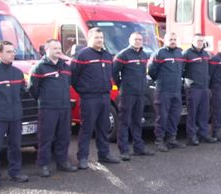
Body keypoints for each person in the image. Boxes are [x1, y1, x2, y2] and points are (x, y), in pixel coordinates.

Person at [71, 28, 120, 169]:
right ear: (89, 38)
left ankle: (104, 155)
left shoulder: (107, 55)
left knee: (103, 128)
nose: (100, 40)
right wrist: (83, 91)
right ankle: (83, 157)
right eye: (97, 37)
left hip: (105, 96)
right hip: (89, 98)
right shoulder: (82, 56)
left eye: (101, 37)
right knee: (87, 128)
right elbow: (73, 77)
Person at [28, 39, 77, 177]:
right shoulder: (40, 67)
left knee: (64, 136)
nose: (58, 50)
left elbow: (68, 84)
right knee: (45, 138)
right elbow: (33, 89)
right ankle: (43, 164)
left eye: (59, 48)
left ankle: (62, 162)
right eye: (55, 48)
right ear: (47, 49)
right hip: (48, 108)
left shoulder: (65, 67)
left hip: (64, 107)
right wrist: (45, 100)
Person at [0, 41, 29, 187]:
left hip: (15, 117)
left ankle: (15, 172)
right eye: (8, 51)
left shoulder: (18, 73)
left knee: (15, 146)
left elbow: (23, 93)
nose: (13, 54)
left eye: (13, 51)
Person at [113, 32, 154, 160]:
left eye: (140, 39)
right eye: (135, 39)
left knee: (137, 121)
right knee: (124, 121)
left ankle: (138, 147)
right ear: (130, 40)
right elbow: (114, 73)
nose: (138, 41)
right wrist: (122, 86)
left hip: (140, 93)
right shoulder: (123, 55)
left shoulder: (144, 54)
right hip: (127, 94)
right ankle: (123, 150)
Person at [148, 32, 185, 152]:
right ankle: (159, 140)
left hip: (176, 90)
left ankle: (171, 139)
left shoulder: (179, 53)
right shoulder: (159, 53)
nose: (173, 41)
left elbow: (182, 69)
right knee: (162, 116)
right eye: (170, 39)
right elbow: (152, 71)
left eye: (174, 39)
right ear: (165, 40)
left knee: (175, 115)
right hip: (163, 90)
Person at [183, 34, 216, 145]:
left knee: (204, 113)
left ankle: (204, 134)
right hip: (193, 88)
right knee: (192, 114)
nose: (200, 43)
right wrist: (188, 82)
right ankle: (191, 137)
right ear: (192, 41)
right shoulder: (187, 54)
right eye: (198, 41)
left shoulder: (206, 54)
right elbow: (181, 70)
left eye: (201, 41)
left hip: (204, 88)